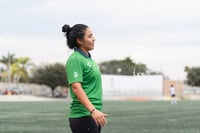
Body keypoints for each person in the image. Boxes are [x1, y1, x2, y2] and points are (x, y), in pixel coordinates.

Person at [62, 24, 108, 133]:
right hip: (84, 115)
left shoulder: (89, 60)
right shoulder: (75, 59)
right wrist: (92, 110)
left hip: (93, 114)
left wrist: (95, 111)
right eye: (90, 36)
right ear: (79, 40)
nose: (94, 38)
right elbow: (76, 87)